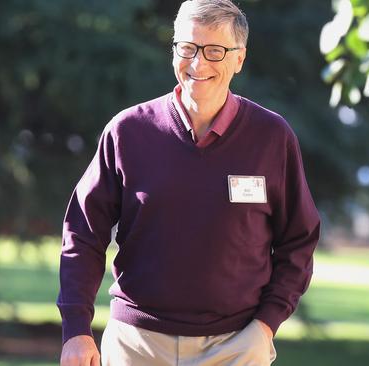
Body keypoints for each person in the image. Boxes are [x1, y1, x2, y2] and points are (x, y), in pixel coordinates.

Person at [57, 0, 320, 365]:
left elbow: (299, 241)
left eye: (215, 51)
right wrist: (76, 331)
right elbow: (83, 234)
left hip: (236, 346)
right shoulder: (128, 131)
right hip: (137, 345)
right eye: (188, 48)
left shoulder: (272, 137)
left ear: (239, 58)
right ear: (174, 51)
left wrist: (264, 327)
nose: (199, 64)